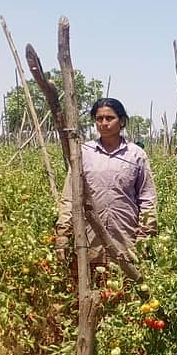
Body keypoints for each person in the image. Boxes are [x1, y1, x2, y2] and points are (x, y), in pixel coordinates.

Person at [54, 97, 158, 277]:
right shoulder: (83, 153)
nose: (104, 123)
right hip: (88, 239)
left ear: (122, 121)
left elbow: (147, 198)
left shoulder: (136, 155)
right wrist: (63, 233)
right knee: (89, 289)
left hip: (126, 237)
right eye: (99, 118)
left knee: (126, 292)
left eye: (110, 118)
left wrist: (145, 236)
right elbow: (69, 196)